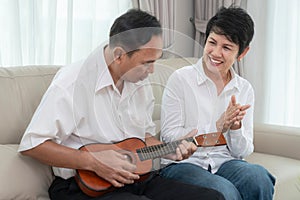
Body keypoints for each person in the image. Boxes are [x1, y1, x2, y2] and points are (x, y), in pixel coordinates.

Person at [18, 9, 225, 200]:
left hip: (135, 178)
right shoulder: (73, 82)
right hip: (82, 186)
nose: (152, 71)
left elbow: (143, 138)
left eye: (156, 60)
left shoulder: (140, 83)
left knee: (211, 197)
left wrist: (169, 150)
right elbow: (33, 144)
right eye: (147, 62)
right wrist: (93, 162)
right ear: (118, 55)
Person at [159, 6, 276, 200]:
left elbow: (243, 152)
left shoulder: (244, 89)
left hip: (225, 163)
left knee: (259, 178)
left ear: (242, 52)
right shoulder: (180, 79)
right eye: (212, 42)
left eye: (226, 47)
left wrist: (236, 128)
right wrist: (217, 127)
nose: (215, 52)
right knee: (222, 192)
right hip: (183, 165)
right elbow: (168, 138)